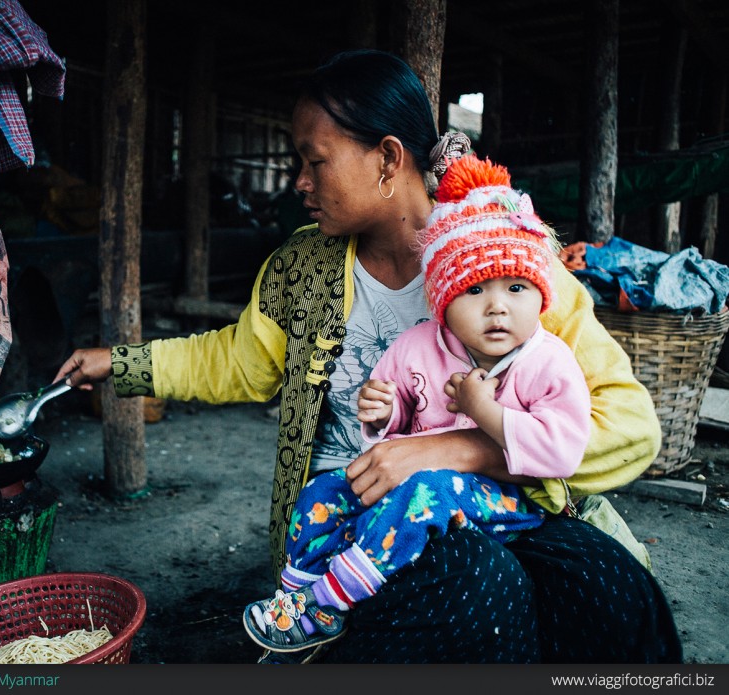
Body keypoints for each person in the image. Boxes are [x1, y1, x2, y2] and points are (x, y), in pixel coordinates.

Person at [54, 49, 682, 663]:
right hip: (359, 513)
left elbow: (629, 429)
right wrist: (122, 363)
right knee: (479, 585)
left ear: (386, 159)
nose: (299, 181)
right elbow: (237, 361)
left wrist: (455, 448)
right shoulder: (302, 267)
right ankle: (315, 613)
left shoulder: (511, 265)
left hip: (507, 507)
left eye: (314, 160)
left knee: (612, 587)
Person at [240, 153, 591, 654]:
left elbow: (563, 451)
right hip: (417, 487)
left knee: (424, 490)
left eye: (517, 288)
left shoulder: (548, 362)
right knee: (322, 492)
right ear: (444, 299)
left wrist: (484, 409)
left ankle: (330, 602)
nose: (498, 306)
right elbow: (399, 424)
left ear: (540, 296)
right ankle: (295, 601)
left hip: (507, 501)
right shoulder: (418, 345)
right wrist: (385, 413)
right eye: (475, 288)